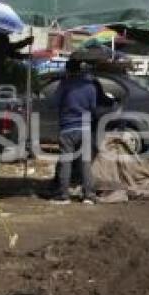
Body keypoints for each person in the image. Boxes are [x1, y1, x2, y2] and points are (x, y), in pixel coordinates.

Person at [51, 60, 98, 204]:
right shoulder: (90, 86)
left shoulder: (65, 85)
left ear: (67, 70)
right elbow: (93, 107)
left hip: (67, 127)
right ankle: (88, 196)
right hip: (85, 128)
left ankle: (64, 196)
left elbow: (54, 103)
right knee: (85, 163)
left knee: (66, 162)